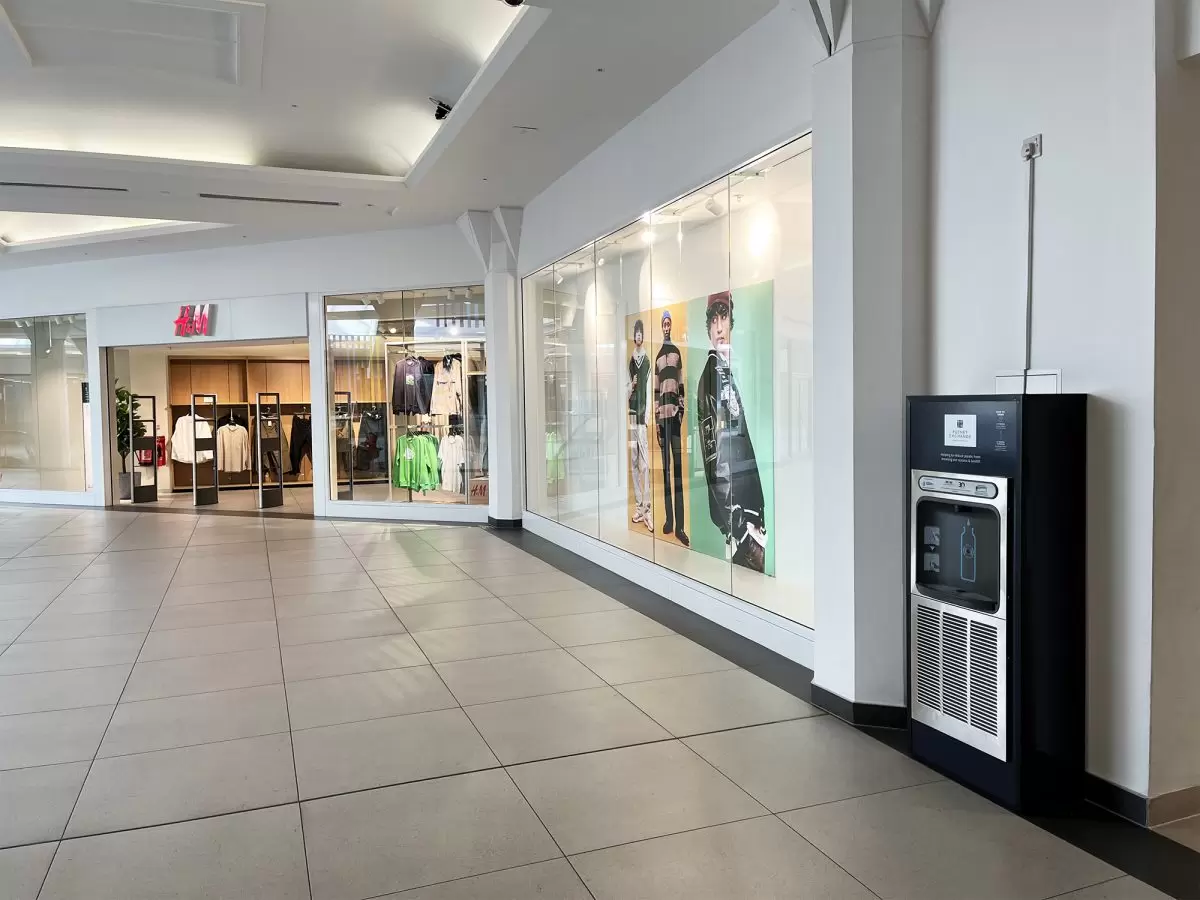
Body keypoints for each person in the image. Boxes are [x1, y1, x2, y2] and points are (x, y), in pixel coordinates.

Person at [696, 290, 767, 572]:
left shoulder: (727, 371)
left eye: (724, 318)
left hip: (749, 515)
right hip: (740, 523)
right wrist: (737, 523)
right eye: (713, 321)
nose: (719, 327)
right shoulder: (711, 376)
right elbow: (713, 456)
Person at [654, 310, 689, 546]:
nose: (666, 326)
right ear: (661, 326)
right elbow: (656, 393)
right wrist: (657, 422)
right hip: (663, 421)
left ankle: (680, 527)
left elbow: (682, 386)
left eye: (669, 323)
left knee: (677, 473)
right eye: (664, 323)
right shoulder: (658, 357)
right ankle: (668, 520)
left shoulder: (676, 354)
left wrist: (680, 412)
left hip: (674, 420)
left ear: (671, 325)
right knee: (666, 471)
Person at [627, 319, 653, 531]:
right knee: (634, 462)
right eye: (635, 332)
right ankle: (638, 506)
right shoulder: (631, 361)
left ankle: (648, 508)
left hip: (642, 417)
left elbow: (650, 388)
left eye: (640, 332)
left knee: (645, 464)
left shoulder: (647, 361)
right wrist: (630, 386)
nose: (638, 335)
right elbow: (626, 390)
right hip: (632, 416)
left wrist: (648, 416)